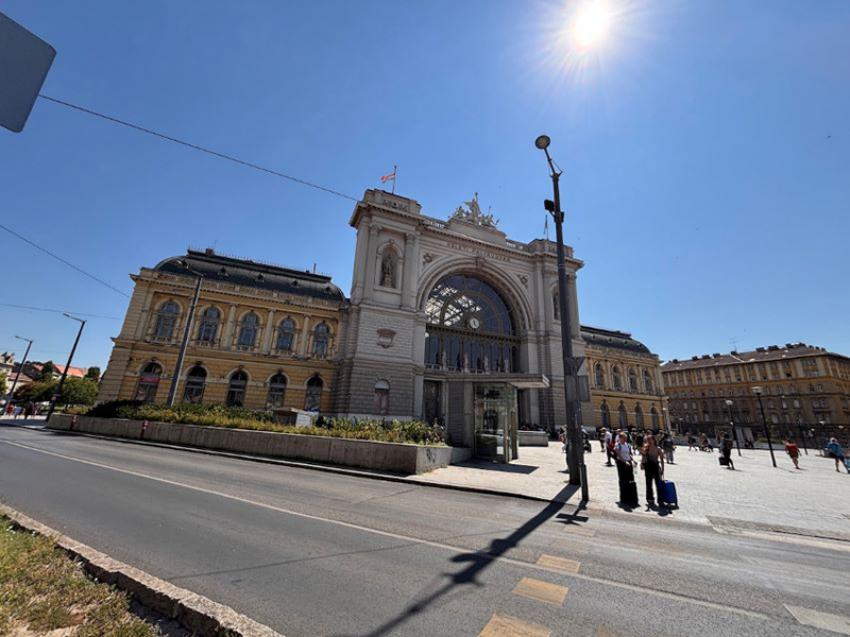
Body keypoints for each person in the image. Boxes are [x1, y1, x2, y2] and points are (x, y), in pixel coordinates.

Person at [641, 433, 665, 507]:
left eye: (650, 439)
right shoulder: (646, 448)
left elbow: (662, 459)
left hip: (655, 466)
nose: (649, 441)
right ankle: (650, 499)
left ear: (654, 440)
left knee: (658, 484)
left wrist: (663, 469)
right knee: (649, 483)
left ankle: (660, 500)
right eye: (648, 440)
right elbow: (643, 456)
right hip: (648, 467)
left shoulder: (658, 448)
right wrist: (642, 464)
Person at [614, 432, 636, 497]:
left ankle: (631, 493)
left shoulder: (627, 445)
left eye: (626, 438)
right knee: (623, 478)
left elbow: (629, 454)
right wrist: (624, 461)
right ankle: (624, 495)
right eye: (624, 438)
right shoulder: (618, 444)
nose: (625, 439)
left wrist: (633, 460)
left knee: (630, 477)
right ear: (620, 438)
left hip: (628, 462)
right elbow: (618, 454)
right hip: (621, 463)